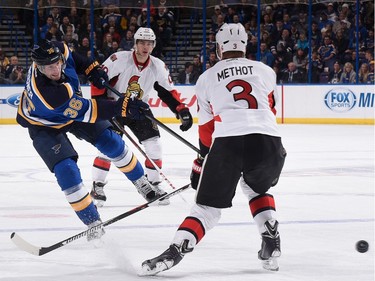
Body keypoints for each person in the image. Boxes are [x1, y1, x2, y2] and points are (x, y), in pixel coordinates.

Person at [141, 23, 286, 275]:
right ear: (245, 45)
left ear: (219, 48)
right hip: (270, 142)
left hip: (229, 141)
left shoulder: (207, 77)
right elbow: (270, 110)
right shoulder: (265, 71)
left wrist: (201, 161)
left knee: (207, 209)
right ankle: (270, 236)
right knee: (255, 187)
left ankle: (176, 249)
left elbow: (207, 130)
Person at [16, 39, 161, 241]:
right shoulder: (50, 94)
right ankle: (92, 220)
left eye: (57, 63)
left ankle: (141, 181)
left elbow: (76, 58)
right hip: (43, 124)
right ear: (39, 68)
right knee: (66, 169)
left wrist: (93, 70)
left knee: (111, 142)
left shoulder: (56, 51)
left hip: (70, 109)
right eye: (50, 67)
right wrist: (124, 106)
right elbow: (91, 110)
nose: (56, 69)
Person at [90, 27, 193, 207]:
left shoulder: (158, 66)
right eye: (142, 43)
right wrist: (101, 105)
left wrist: (181, 109)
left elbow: (167, 92)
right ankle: (97, 186)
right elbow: (98, 82)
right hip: (114, 107)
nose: (145, 47)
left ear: (153, 46)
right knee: (108, 147)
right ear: (135, 44)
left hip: (138, 109)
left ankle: (153, 184)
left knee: (155, 145)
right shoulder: (119, 59)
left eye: (149, 43)